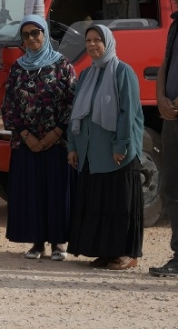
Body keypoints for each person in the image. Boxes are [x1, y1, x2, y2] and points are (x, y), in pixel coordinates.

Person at [67, 24, 144, 270]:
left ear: (108, 42)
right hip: (91, 153)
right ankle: (105, 251)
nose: (92, 44)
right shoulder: (86, 75)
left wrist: (120, 144)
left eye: (97, 40)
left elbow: (128, 112)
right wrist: (72, 146)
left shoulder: (123, 72)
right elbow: (75, 113)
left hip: (117, 154)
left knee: (120, 204)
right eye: (88, 40)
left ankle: (125, 254)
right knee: (99, 203)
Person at [1, 14, 76, 261]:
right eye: (26, 35)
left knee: (56, 192)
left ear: (45, 34)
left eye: (36, 32)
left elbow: (73, 102)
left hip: (58, 143)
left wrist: (56, 133)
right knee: (32, 193)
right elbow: (9, 105)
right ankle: (37, 242)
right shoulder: (18, 68)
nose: (31, 38)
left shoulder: (62, 65)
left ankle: (58, 243)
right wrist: (27, 136)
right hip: (27, 144)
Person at [150, 0, 178, 278]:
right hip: (172, 119)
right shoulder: (174, 26)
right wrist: (160, 99)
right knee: (172, 188)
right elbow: (164, 66)